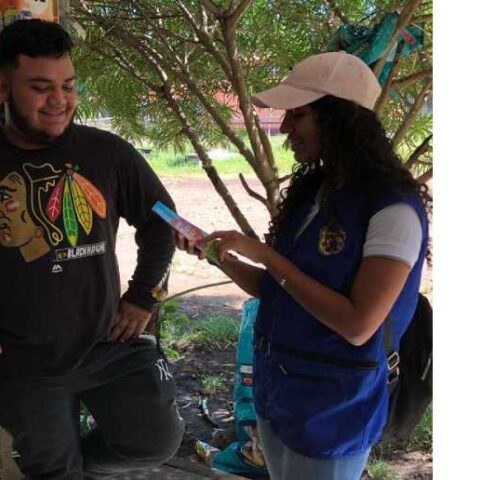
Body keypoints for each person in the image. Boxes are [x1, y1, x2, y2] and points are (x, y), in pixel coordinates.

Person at [0, 18, 184, 479]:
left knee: (156, 441)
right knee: (52, 471)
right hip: (23, 364)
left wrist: (144, 294)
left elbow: (163, 220)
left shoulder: (108, 153)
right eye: (41, 87)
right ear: (4, 88)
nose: (59, 101)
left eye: (68, 86)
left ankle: (74, 468)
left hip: (108, 342)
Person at [176, 51, 430, 480]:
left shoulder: (393, 210)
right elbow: (276, 288)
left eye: (299, 115)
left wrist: (267, 255)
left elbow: (358, 324)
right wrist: (220, 257)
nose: (287, 127)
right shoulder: (315, 193)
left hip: (335, 410)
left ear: (340, 118)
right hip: (282, 393)